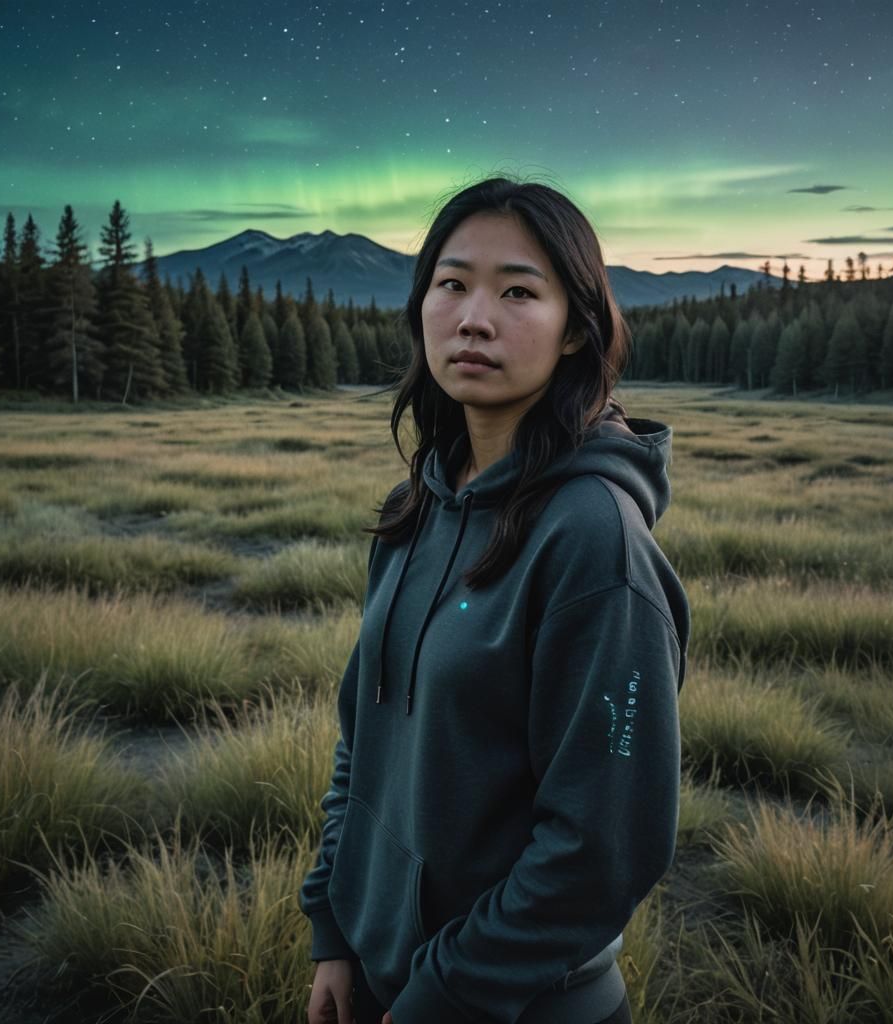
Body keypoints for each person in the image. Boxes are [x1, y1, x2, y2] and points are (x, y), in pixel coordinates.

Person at [300, 175, 689, 1024]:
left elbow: (602, 849)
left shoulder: (594, 542)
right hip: (380, 977)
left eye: (518, 290)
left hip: (514, 1005)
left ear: (578, 331)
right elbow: (362, 741)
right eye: (452, 283)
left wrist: (443, 998)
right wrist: (335, 927)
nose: (474, 317)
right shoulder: (420, 503)